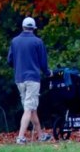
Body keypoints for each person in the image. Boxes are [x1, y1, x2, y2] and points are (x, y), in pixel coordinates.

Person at [7, 16, 51, 144]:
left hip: (19, 79)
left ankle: (41, 135)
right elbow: (43, 63)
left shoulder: (14, 41)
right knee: (28, 108)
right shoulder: (38, 42)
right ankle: (20, 137)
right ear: (33, 28)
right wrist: (48, 73)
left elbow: (10, 60)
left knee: (31, 108)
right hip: (32, 79)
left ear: (23, 27)